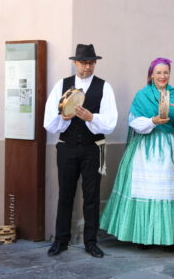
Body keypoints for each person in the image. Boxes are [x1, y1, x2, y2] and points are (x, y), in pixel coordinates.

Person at [99, 57, 174, 250]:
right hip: (145, 150)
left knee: (168, 192)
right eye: (158, 72)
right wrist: (152, 121)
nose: (162, 76)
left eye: (166, 72)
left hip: (170, 150)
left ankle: (169, 238)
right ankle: (143, 235)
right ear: (151, 74)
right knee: (147, 190)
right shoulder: (142, 95)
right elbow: (134, 121)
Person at [44, 44, 117, 258]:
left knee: (91, 196)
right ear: (75, 63)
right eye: (84, 62)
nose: (88, 66)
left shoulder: (104, 87)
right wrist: (63, 118)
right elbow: (49, 120)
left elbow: (111, 122)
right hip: (66, 147)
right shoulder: (62, 85)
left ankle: (91, 242)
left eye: (92, 62)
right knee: (65, 194)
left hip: (92, 148)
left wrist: (91, 117)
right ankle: (61, 240)